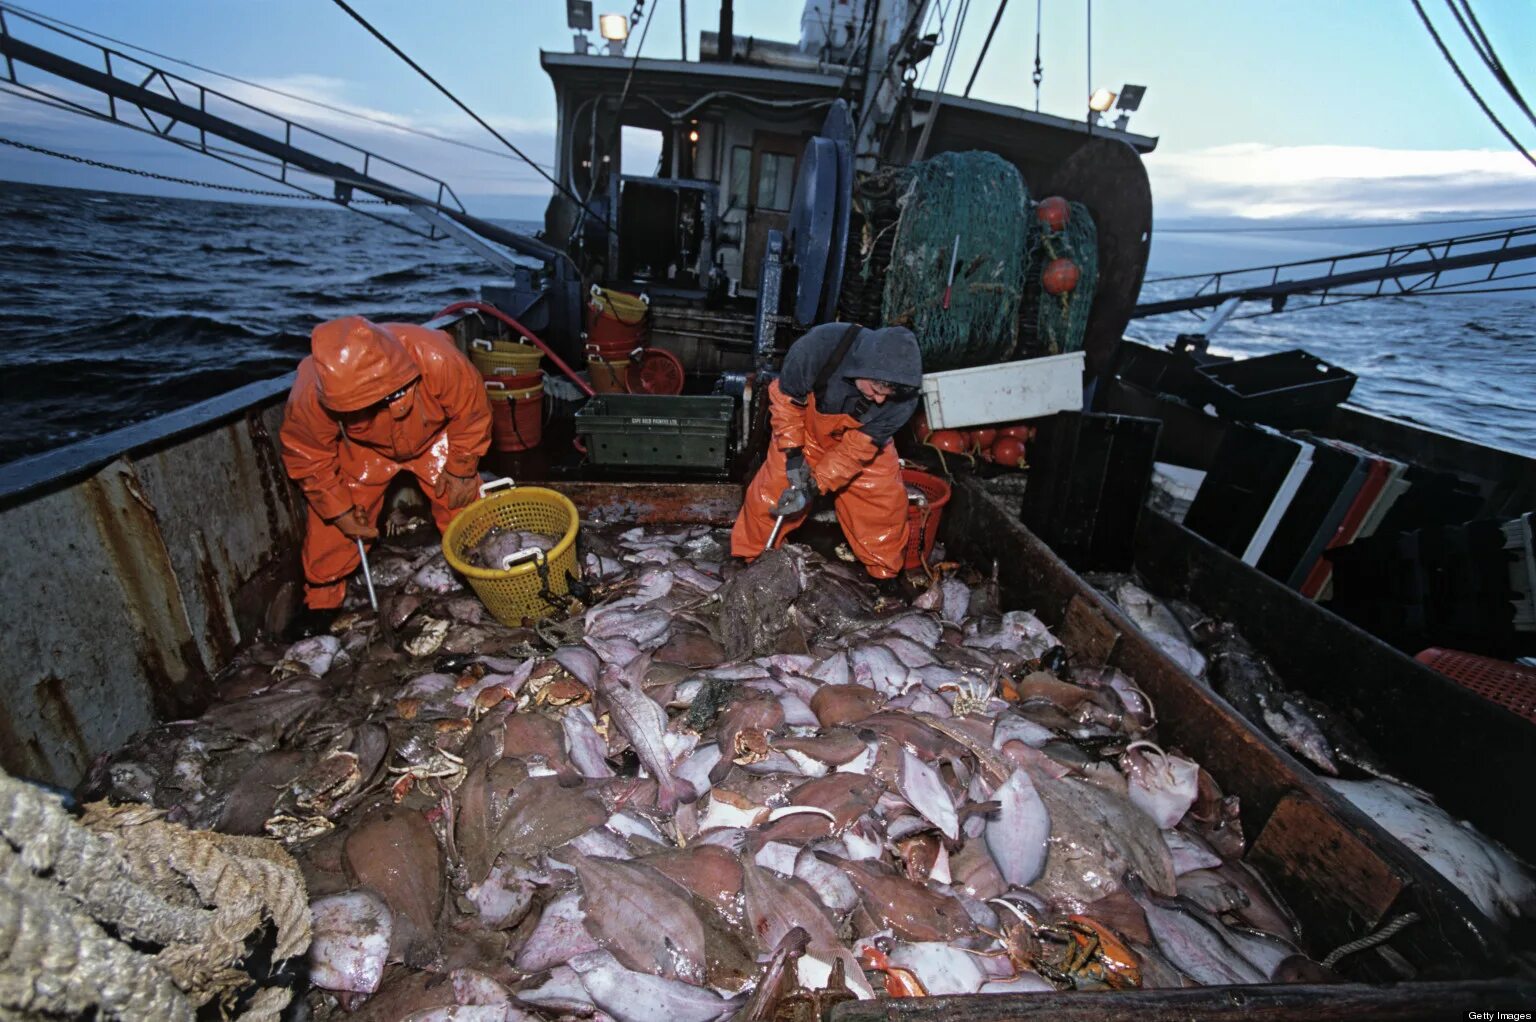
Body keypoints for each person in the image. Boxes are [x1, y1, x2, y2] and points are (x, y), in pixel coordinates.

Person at [281, 315, 491, 623]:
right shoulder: (309, 393)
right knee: (333, 529)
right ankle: (321, 602)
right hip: (364, 451)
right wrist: (339, 511)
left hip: (434, 438)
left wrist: (461, 469)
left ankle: (480, 576)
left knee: (464, 508)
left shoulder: (437, 357)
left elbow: (471, 414)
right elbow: (309, 456)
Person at [731, 322, 922, 588]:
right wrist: (794, 456)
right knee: (774, 493)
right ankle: (753, 560)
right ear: (861, 369)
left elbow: (856, 450)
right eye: (876, 391)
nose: (880, 401)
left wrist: (813, 486)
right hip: (803, 430)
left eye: (886, 396)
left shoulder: (904, 399)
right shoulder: (817, 347)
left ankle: (885, 577)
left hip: (861, 444)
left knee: (883, 503)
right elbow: (787, 405)